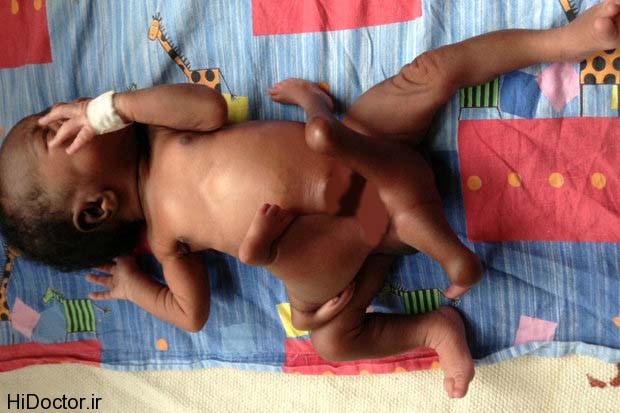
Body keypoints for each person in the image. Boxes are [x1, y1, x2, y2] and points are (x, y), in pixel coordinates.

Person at [1, 0, 618, 398]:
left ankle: (561, 43)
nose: (67, 110)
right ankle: (433, 328)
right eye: (51, 130)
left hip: (362, 139)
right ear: (95, 209)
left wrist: (111, 108)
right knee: (329, 340)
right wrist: (137, 287)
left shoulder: (163, 131)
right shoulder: (167, 242)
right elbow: (191, 315)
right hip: (355, 237)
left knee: (429, 72)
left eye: (59, 111)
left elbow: (208, 106)